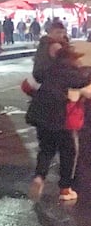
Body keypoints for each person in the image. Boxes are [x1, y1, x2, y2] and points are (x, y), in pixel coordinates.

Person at [25, 45, 91, 202]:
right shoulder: (76, 75)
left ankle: (39, 177)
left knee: (46, 150)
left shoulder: (46, 69)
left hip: (40, 116)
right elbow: (86, 92)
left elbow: (26, 86)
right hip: (61, 119)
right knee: (68, 153)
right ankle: (65, 190)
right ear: (72, 59)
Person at [32, 19, 70, 83]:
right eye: (58, 32)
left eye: (63, 33)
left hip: (40, 77)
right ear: (50, 32)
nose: (61, 35)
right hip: (52, 80)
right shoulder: (55, 46)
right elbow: (67, 63)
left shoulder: (43, 42)